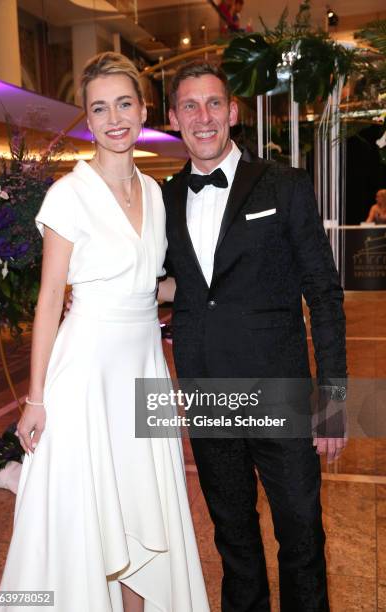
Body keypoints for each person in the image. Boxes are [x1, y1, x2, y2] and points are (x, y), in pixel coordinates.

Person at [0, 52, 209, 612]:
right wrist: (35, 398)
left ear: (142, 110)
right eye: (99, 108)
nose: (114, 118)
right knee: (92, 507)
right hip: (86, 371)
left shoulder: (158, 195)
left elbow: (151, 287)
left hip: (143, 368)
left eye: (123, 103)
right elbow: (48, 301)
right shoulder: (69, 194)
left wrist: (224, 285)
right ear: (88, 121)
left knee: (143, 504)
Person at [162, 60, 348, 612]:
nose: (203, 116)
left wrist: (333, 399)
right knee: (235, 542)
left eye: (213, 103)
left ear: (233, 112)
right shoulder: (165, 199)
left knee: (302, 541)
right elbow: (178, 284)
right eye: (190, 106)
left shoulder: (283, 184)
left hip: (282, 396)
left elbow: (324, 293)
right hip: (208, 395)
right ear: (173, 118)